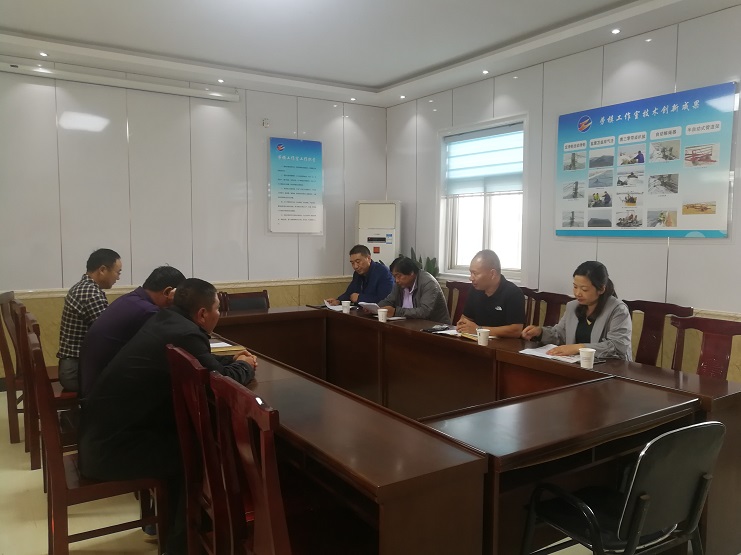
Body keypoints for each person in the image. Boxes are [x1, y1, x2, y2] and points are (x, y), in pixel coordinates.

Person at [79, 278, 257, 555]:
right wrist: (245, 366)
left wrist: (232, 361)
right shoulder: (186, 333)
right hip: (110, 451)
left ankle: (182, 533)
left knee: (188, 444)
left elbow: (201, 364)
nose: (219, 314)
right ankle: (181, 546)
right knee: (194, 455)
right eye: (217, 309)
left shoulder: (167, 321)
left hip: (99, 437)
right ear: (202, 314)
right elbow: (219, 381)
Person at [78, 265, 186, 397]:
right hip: (103, 394)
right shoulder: (148, 311)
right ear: (168, 292)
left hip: (92, 385)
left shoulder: (130, 299)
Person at [521, 261, 632, 360]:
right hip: (577, 365)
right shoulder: (573, 306)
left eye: (584, 289)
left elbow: (617, 346)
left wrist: (579, 348)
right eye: (575, 287)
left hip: (611, 369)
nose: (577, 293)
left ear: (601, 289)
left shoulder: (618, 310)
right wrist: (540, 332)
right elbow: (559, 335)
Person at [57, 248, 122, 391]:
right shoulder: (90, 293)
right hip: (76, 372)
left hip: (74, 366)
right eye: (118, 272)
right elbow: (109, 334)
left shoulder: (85, 287)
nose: (118, 278)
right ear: (102, 270)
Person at [456, 250, 525, 338]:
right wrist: (462, 324)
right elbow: (466, 318)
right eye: (471, 273)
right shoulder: (475, 289)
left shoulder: (513, 293)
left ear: (492, 274)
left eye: (475, 273)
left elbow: (516, 330)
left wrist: (479, 330)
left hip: (503, 344)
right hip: (476, 341)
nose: (471, 278)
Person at [378, 256, 450, 323]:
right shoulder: (400, 284)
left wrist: (396, 312)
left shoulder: (428, 283)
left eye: (399, 276)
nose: (396, 280)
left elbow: (424, 311)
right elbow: (389, 301)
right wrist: (375, 308)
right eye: (394, 276)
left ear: (411, 272)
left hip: (435, 327)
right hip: (409, 324)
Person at [326, 244, 394, 305]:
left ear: (369, 258)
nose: (355, 266)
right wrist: (338, 301)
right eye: (352, 263)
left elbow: (384, 299)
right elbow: (350, 293)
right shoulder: (357, 273)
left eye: (358, 262)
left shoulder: (383, 272)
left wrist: (360, 298)